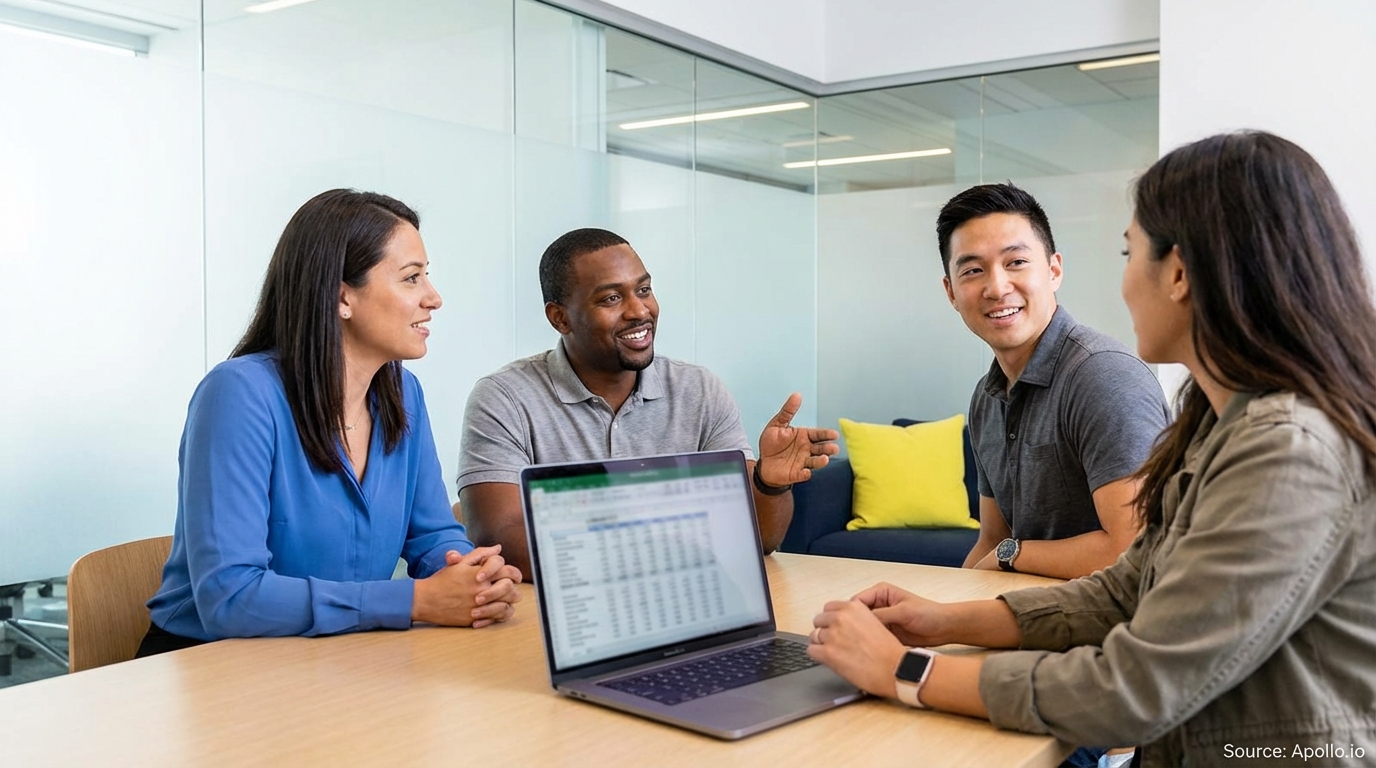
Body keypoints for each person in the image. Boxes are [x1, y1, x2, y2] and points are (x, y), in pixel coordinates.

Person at [808, 131, 1376, 766]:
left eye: (1129, 252)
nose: (1126, 280)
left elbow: (1138, 687)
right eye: (973, 269)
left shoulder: (1287, 452)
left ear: (1181, 273)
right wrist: (942, 622)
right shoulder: (1217, 421)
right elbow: (1124, 591)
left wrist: (905, 671)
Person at [139, 189, 522, 655]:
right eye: (411, 278)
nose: (433, 298)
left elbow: (431, 535)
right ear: (342, 296)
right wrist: (416, 600)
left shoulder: (404, 394)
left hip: (337, 655)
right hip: (210, 663)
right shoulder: (240, 395)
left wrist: (476, 578)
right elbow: (231, 597)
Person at [458, 228, 838, 577]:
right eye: (611, 298)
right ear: (560, 318)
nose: (639, 311)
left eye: (643, 290)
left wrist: (768, 485)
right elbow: (502, 539)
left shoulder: (700, 390)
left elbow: (760, 540)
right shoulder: (504, 398)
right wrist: (684, 539)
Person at [937, 183, 1169, 579]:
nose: (996, 287)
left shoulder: (1103, 376)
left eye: (1016, 263)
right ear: (952, 293)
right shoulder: (986, 397)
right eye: (973, 270)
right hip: (1026, 619)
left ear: (1054, 270)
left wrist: (1013, 554)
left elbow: (1132, 548)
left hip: (1110, 630)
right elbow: (992, 538)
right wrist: (940, 614)